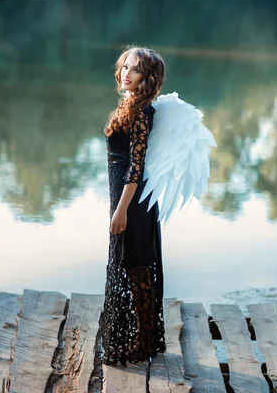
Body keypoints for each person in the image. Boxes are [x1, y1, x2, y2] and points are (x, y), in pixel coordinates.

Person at [100, 47, 167, 366]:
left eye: (136, 69)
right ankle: (142, 335)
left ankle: (144, 340)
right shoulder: (130, 105)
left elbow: (135, 167)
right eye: (125, 66)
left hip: (133, 202)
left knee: (137, 266)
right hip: (124, 197)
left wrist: (121, 209)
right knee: (132, 266)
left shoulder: (141, 112)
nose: (126, 72)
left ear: (148, 78)